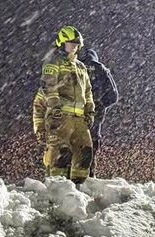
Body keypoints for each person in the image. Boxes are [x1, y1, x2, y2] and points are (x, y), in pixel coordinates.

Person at [31, 26, 95, 184]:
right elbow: (49, 86)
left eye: (76, 44)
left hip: (79, 118)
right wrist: (55, 108)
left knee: (85, 153)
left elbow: (88, 92)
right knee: (61, 154)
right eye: (70, 43)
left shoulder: (81, 67)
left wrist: (90, 111)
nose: (74, 47)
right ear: (61, 43)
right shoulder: (54, 62)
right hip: (60, 118)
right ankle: (57, 189)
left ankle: (78, 188)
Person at [78, 48, 119, 177]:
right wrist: (100, 105)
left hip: (75, 117)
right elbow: (113, 96)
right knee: (90, 149)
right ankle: (89, 177)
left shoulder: (76, 68)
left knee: (72, 149)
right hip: (95, 121)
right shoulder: (101, 70)